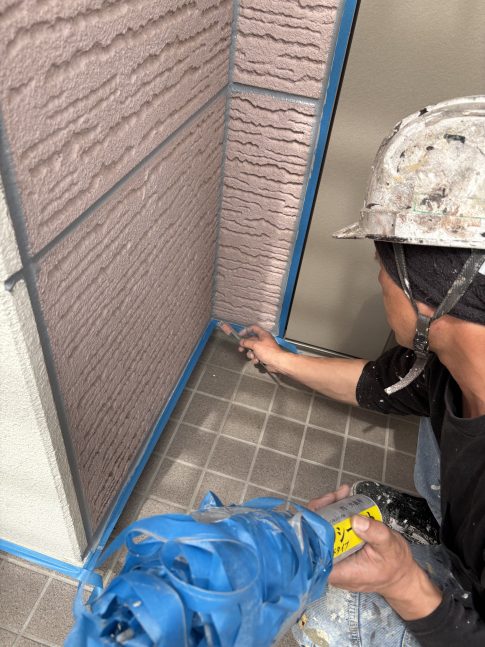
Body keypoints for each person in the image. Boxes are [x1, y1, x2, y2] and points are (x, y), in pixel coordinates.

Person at [238, 96, 485, 646]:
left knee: (330, 606)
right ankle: (450, 543)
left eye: (382, 268)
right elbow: (379, 385)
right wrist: (281, 360)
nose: (377, 282)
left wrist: (403, 580)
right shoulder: (452, 362)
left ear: (431, 296)